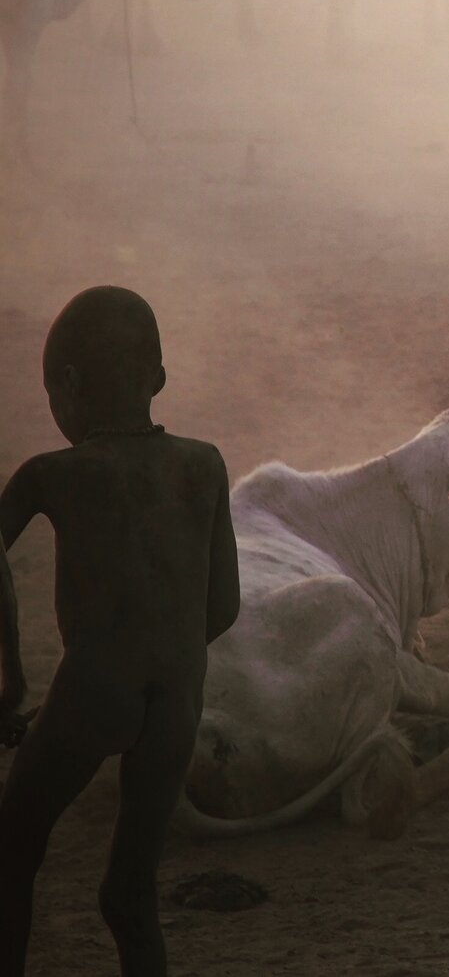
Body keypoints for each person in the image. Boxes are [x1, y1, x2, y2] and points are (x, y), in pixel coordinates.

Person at [0, 287, 240, 977]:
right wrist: (163, 652)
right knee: (130, 895)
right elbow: (221, 607)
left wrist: (14, 675)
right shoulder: (206, 464)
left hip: (94, 687)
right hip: (178, 702)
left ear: (67, 385)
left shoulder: (53, 474)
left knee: (13, 852)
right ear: (157, 379)